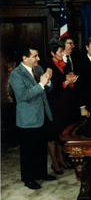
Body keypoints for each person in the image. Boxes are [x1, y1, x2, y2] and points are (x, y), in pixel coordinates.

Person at [9, 45, 56, 189]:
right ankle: (28, 179)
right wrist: (41, 84)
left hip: (42, 115)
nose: (38, 58)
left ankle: (41, 173)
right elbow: (23, 96)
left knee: (41, 147)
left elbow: (48, 89)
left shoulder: (38, 69)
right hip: (28, 119)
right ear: (25, 58)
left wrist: (48, 82)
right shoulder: (16, 74)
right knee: (28, 151)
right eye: (35, 56)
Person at [46, 39, 78, 174]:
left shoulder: (64, 64)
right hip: (53, 105)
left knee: (61, 134)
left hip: (64, 105)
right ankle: (55, 163)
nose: (62, 53)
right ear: (53, 53)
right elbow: (49, 88)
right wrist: (65, 82)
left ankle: (61, 160)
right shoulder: (48, 66)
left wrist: (71, 81)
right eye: (60, 51)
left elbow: (67, 83)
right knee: (52, 135)